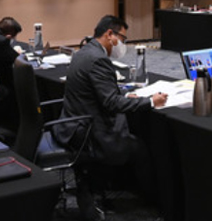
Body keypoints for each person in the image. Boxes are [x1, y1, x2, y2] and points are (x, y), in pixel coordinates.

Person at [53, 15, 167, 220]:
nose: (123, 44)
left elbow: (100, 93)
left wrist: (125, 96)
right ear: (109, 34)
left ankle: (98, 187)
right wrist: (151, 101)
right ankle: (155, 204)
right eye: (122, 39)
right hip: (88, 133)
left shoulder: (84, 52)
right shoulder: (99, 60)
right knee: (140, 148)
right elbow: (111, 104)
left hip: (71, 124)